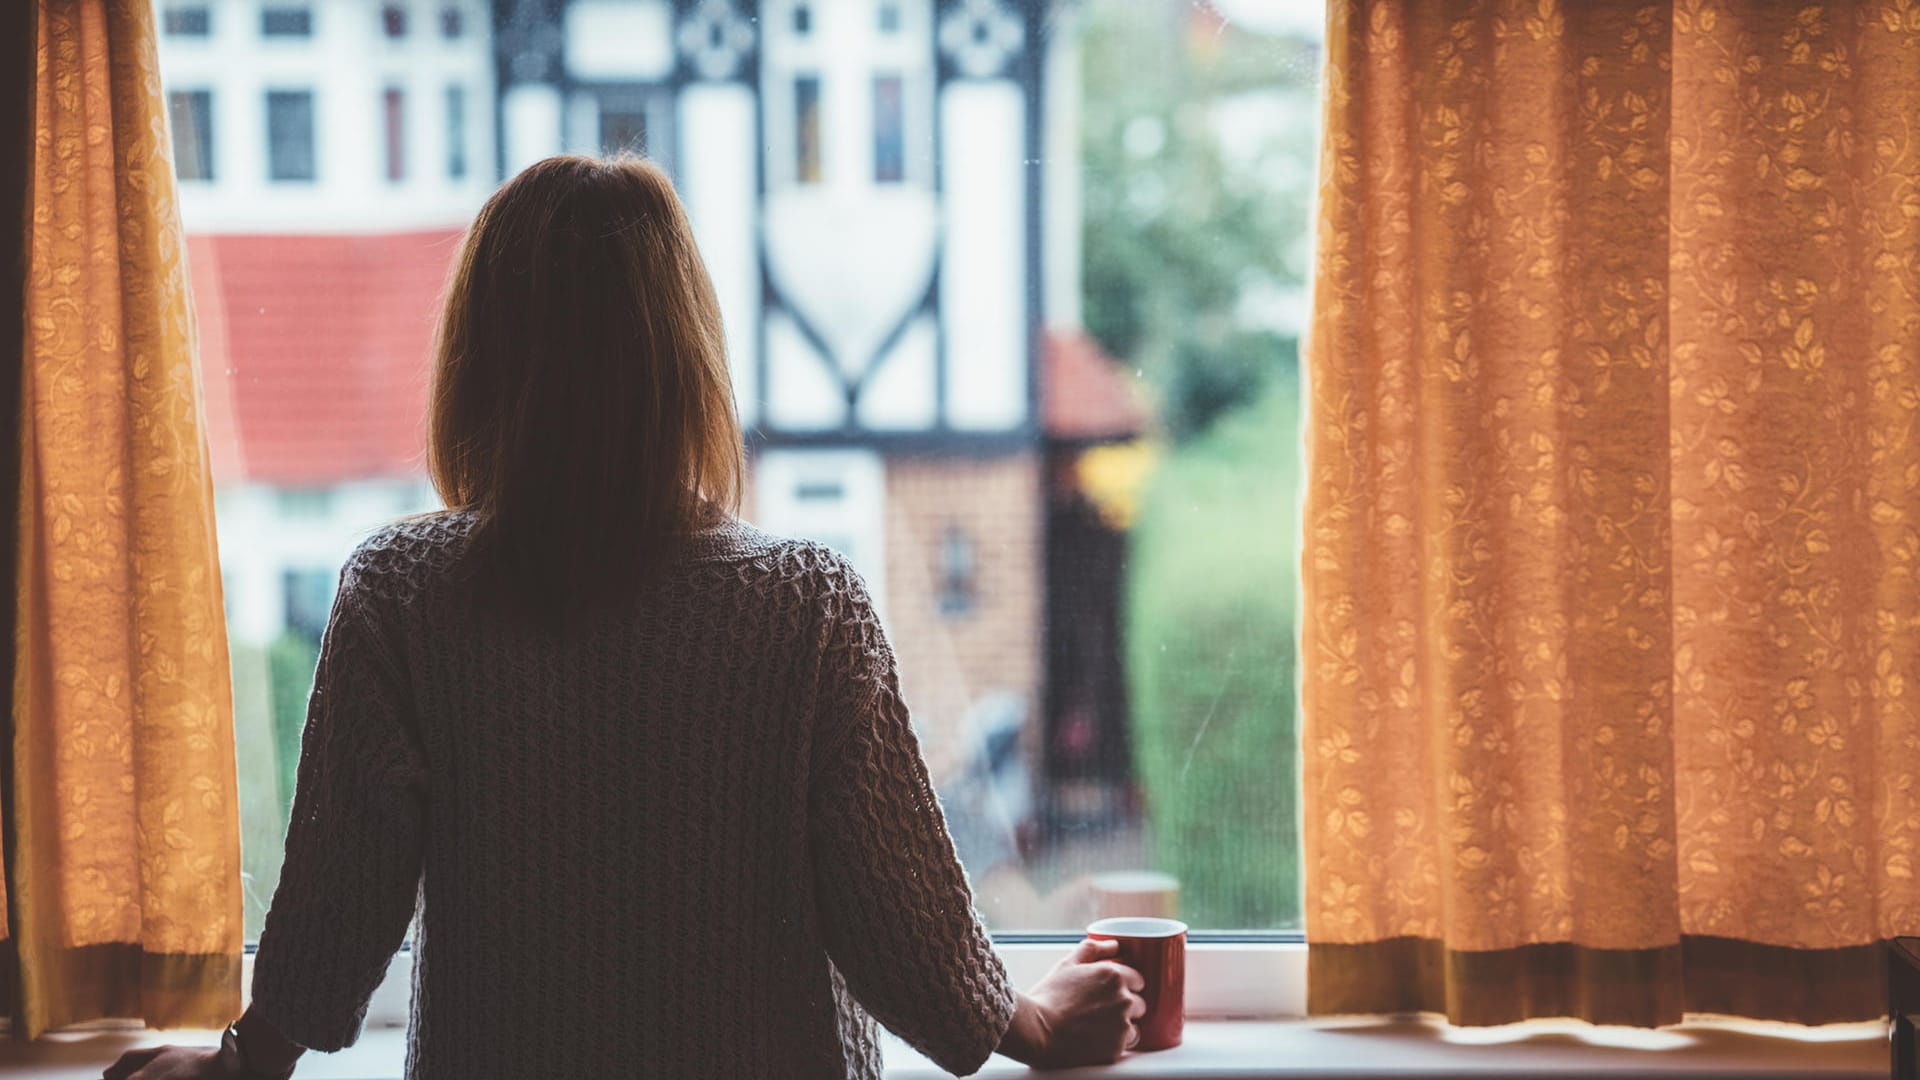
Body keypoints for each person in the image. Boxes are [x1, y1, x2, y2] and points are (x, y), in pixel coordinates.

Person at [103, 155, 1145, 1080]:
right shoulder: (805, 607)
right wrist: (1040, 1032)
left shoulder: (403, 593)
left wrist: (242, 1066)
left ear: (477, 361)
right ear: (688, 362)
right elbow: (908, 935)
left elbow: (338, 912)